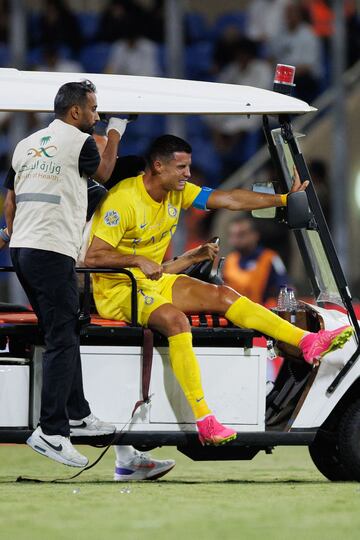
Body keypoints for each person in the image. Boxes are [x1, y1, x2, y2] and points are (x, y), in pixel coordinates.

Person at [85, 134, 353, 447]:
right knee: (175, 321)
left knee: (224, 295)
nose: (188, 174)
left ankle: (307, 342)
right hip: (119, 289)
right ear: (157, 166)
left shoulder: (178, 194)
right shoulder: (123, 200)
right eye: (182, 167)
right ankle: (205, 420)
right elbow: (92, 257)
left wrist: (283, 200)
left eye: (189, 166)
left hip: (152, 281)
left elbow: (230, 199)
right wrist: (137, 259)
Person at [3, 79, 129, 468]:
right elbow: (105, 172)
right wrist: (117, 128)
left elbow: (11, 199)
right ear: (76, 112)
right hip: (51, 249)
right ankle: (51, 430)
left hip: (24, 248)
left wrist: (10, 233)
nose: (96, 115)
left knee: (65, 328)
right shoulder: (80, 142)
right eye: (94, 110)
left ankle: (78, 412)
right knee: (62, 336)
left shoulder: (27, 144)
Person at [223, 216, 290, 304]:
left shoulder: (270, 258)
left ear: (255, 235)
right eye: (233, 235)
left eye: (241, 234)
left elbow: (286, 289)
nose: (236, 240)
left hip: (262, 312)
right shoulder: (229, 260)